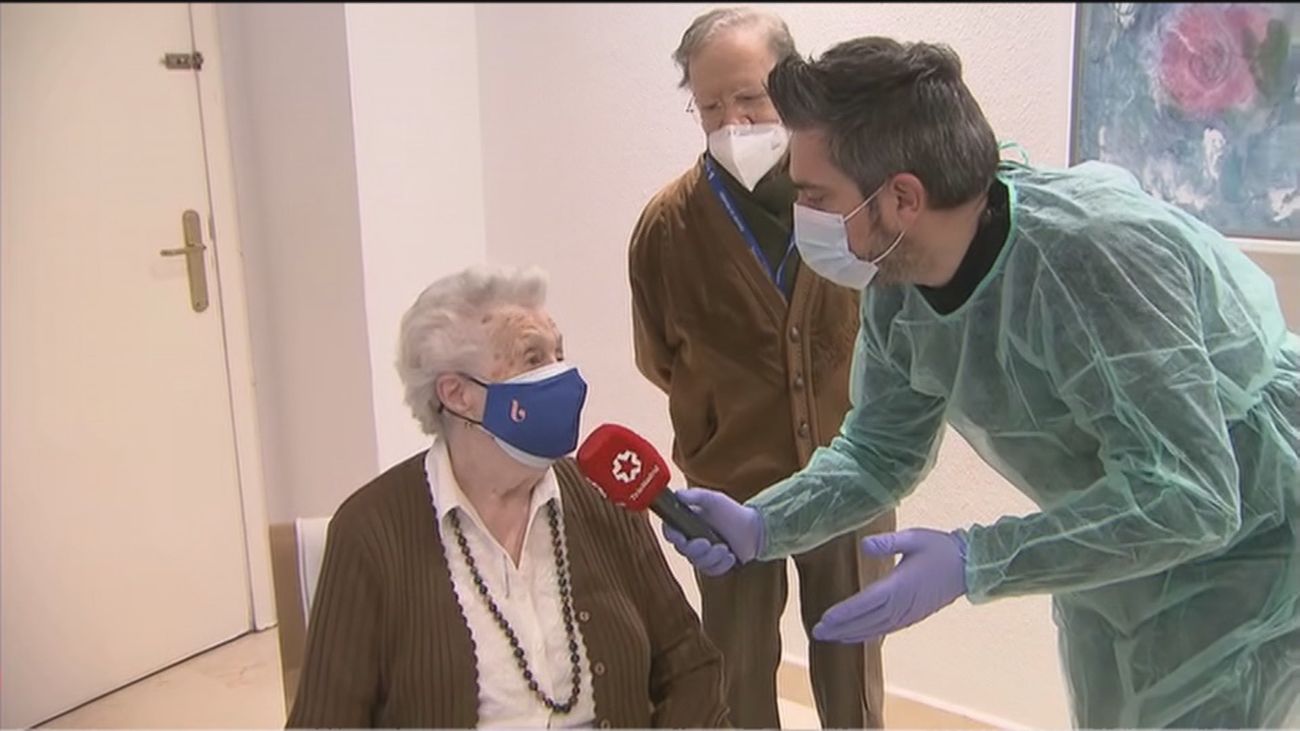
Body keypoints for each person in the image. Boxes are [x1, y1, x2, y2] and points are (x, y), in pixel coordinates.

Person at [662, 36, 1300, 729]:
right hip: (1114, 534)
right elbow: (877, 453)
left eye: (816, 196)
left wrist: (976, 559)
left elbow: (1194, 494)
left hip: (1255, 538)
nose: (802, 214)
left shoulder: (1094, 259)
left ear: (902, 197)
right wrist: (765, 524)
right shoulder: (898, 278)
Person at [288, 267, 729, 728]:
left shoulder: (603, 496)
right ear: (457, 394)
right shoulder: (371, 531)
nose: (563, 375)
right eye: (533, 358)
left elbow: (691, 667)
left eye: (560, 353)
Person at [627, 7, 894, 729]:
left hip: (850, 476)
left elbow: (895, 332)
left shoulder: (852, 202)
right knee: (735, 668)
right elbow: (659, 358)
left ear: (794, 85)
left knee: (852, 662)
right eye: (710, 106)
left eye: (750, 97)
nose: (733, 121)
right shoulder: (666, 229)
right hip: (729, 487)